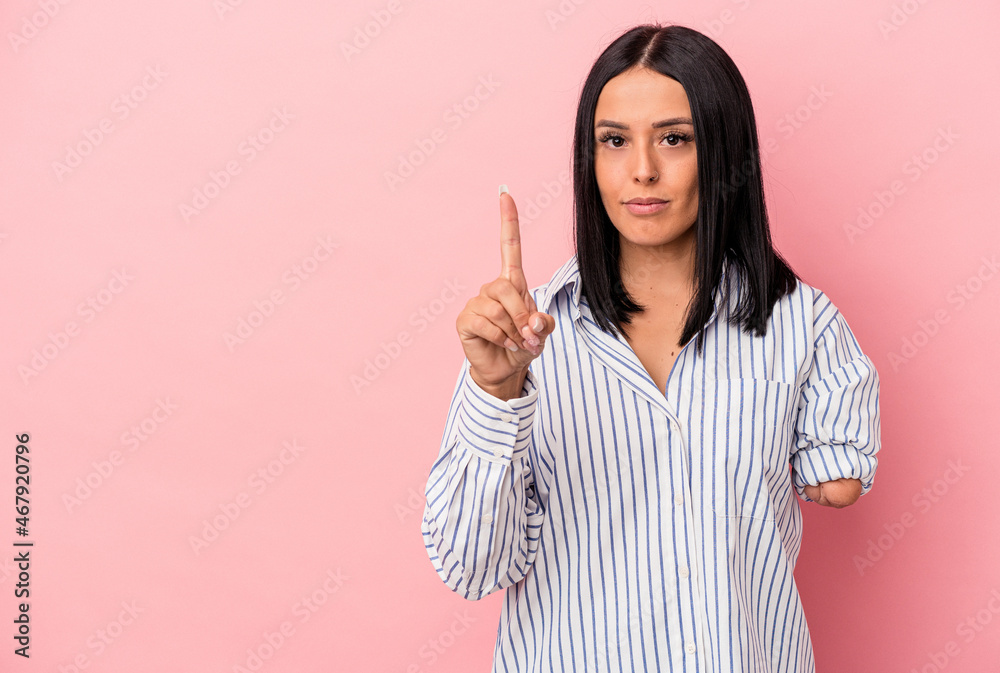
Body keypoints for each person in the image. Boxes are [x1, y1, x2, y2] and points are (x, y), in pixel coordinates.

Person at [421, 23, 880, 673]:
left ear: (723, 151)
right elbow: (469, 567)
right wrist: (496, 391)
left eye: (674, 138)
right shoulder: (524, 338)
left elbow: (837, 475)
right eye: (614, 141)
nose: (642, 169)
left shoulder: (799, 323)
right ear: (591, 157)